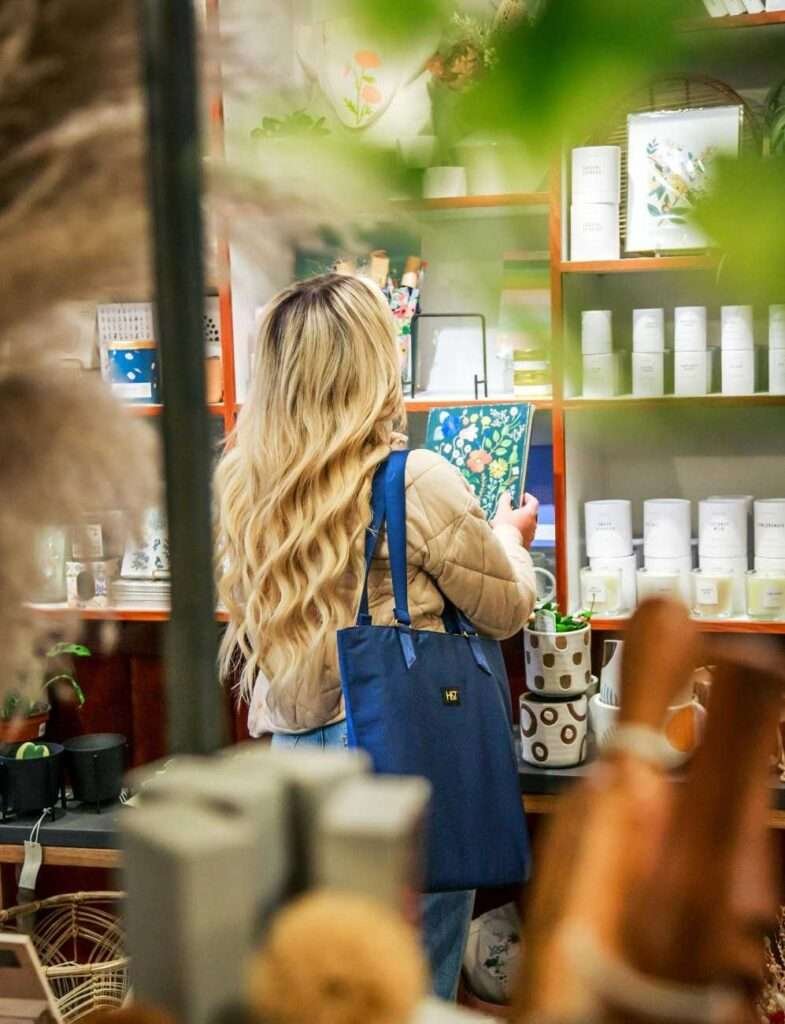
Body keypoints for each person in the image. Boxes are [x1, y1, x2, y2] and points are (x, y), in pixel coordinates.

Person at [215, 272, 538, 1001]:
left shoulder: (245, 483)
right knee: (410, 990)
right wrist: (508, 538)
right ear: (372, 365)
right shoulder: (413, 479)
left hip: (293, 764)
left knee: (328, 989)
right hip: (400, 754)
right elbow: (504, 610)